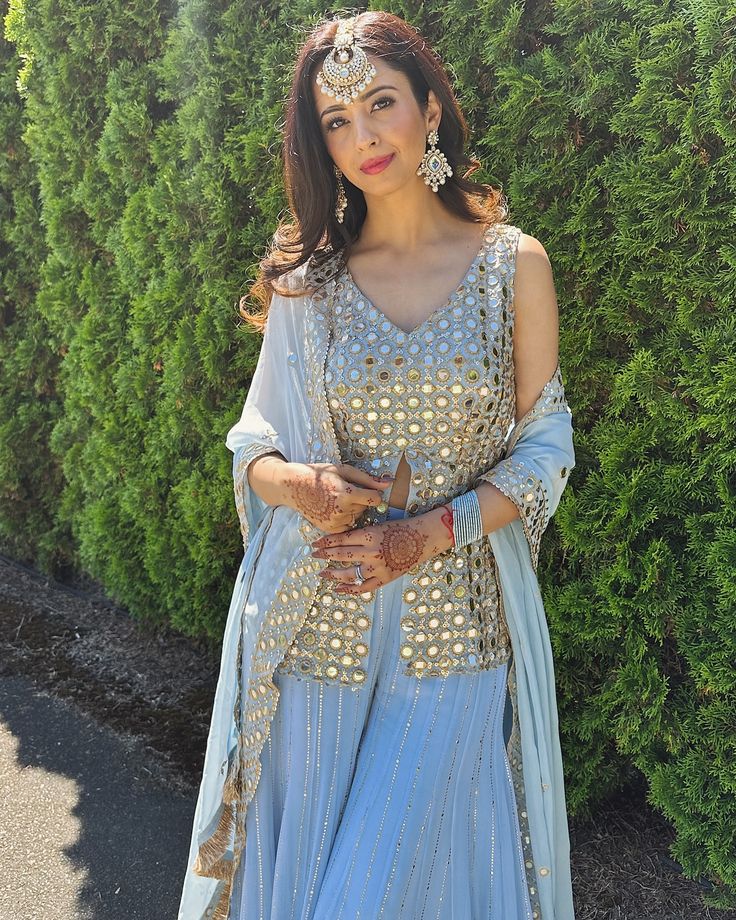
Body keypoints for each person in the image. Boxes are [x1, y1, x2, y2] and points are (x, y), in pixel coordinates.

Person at [178, 10, 576, 920]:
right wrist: (304, 487)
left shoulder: (512, 268)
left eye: (380, 104)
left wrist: (434, 532)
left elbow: (546, 448)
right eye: (336, 119)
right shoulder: (308, 281)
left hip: (457, 639)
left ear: (430, 109)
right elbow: (254, 447)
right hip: (319, 636)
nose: (363, 136)